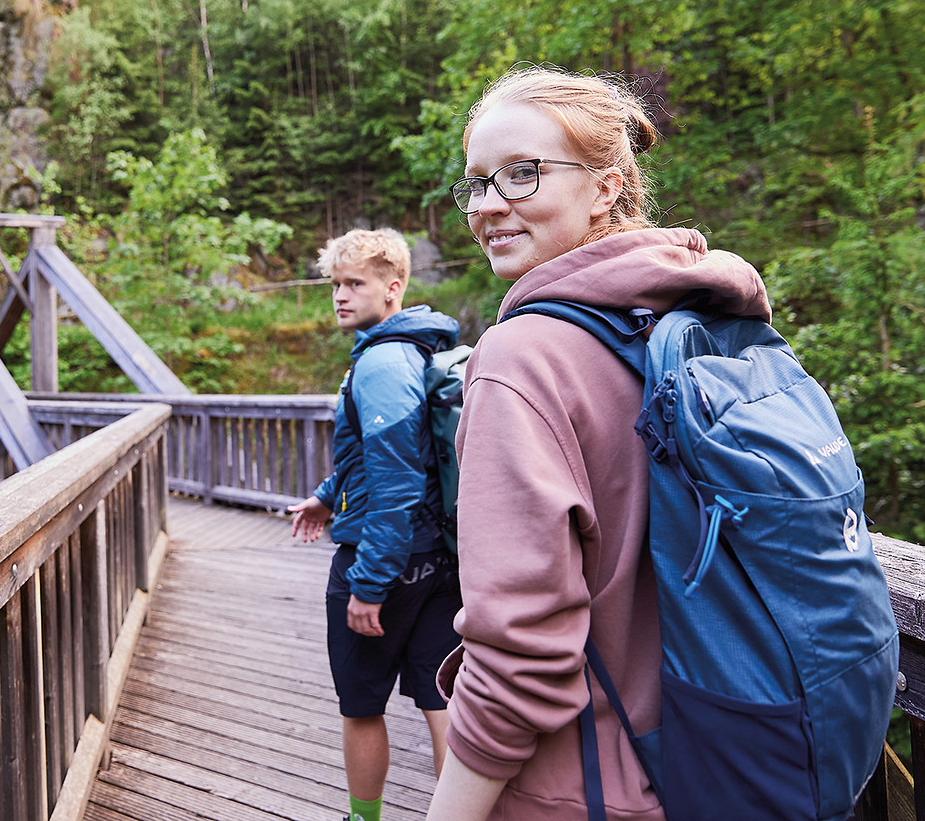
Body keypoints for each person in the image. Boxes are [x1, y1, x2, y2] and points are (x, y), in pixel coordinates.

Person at [424, 67, 771, 821]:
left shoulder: (523, 359)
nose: (489, 205)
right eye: (477, 183)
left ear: (607, 188)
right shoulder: (694, 327)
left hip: (578, 787)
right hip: (716, 760)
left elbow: (521, 652)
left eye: (523, 174)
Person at [289, 227, 464, 821]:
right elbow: (380, 458)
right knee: (441, 699)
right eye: (336, 284)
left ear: (392, 288)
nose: (339, 295)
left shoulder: (381, 363)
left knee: (362, 706)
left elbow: (395, 484)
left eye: (354, 284)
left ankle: (364, 819)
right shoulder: (413, 349)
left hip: (389, 564)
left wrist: (369, 584)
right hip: (439, 560)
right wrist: (324, 497)